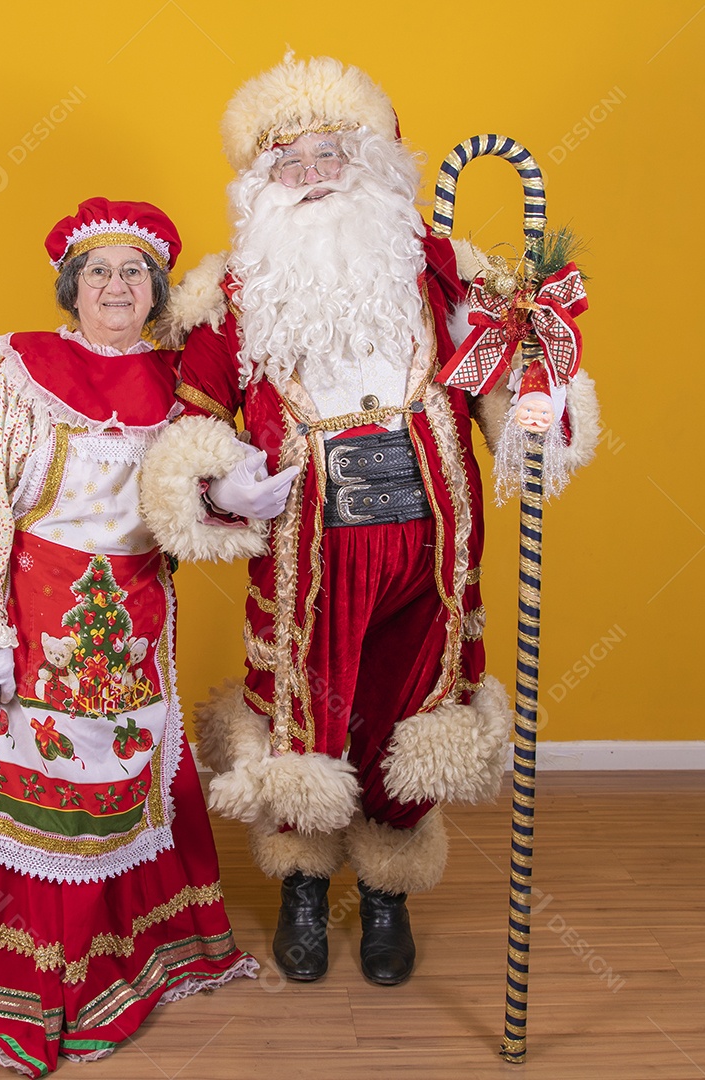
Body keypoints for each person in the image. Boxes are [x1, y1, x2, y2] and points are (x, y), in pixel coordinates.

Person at [138, 55, 600, 986]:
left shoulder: (439, 271)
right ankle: (305, 886)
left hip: (433, 557)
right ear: (260, 184)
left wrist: (537, 411)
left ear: (375, 162)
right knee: (303, 714)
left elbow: (509, 378)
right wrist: (219, 488)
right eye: (287, 163)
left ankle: (386, 892)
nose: (310, 178)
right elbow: (191, 419)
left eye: (327, 155)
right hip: (304, 556)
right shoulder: (232, 293)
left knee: (411, 712)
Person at [0, 197, 256, 1075]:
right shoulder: (22, 375)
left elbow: (193, 501)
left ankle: (115, 963)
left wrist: (227, 499)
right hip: (28, 617)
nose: (117, 285)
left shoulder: (181, 384)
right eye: (99, 272)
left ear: (156, 289)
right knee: (35, 798)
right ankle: (25, 978)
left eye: (134, 272)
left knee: (122, 789)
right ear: (71, 288)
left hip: (136, 617)